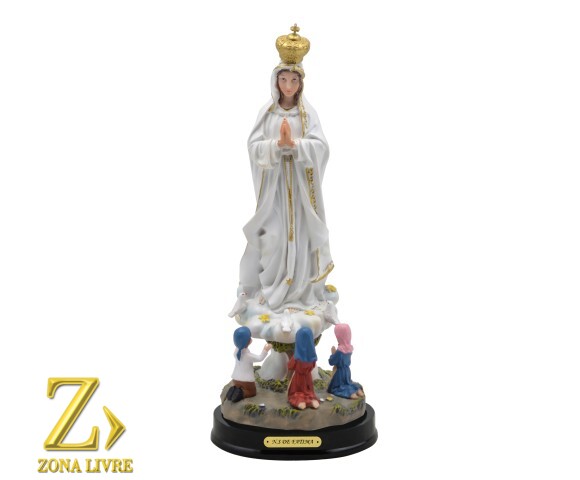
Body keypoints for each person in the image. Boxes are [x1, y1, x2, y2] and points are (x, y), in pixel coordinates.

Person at [238, 31, 334, 314]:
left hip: (301, 194)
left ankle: (300, 291)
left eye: (294, 80)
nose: (288, 85)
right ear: (276, 80)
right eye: (284, 79)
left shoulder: (307, 115)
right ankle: (270, 288)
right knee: (274, 238)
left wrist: (297, 146)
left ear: (300, 83)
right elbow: (253, 146)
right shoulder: (267, 113)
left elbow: (322, 147)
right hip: (276, 190)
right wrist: (275, 147)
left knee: (300, 240)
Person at [228, 326, 272, 403]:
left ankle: (234, 390)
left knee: (240, 386)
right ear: (248, 341)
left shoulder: (236, 351)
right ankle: (241, 393)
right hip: (246, 380)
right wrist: (265, 349)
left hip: (235, 378)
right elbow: (259, 358)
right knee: (252, 392)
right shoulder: (248, 356)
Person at [327, 324, 364, 399]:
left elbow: (332, 362)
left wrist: (333, 353)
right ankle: (357, 390)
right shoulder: (349, 348)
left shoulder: (340, 350)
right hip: (347, 371)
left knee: (338, 387)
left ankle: (350, 394)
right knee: (348, 383)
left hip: (339, 373)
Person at [287, 327, 320, 410]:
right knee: (308, 391)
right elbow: (313, 366)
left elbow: (290, 366)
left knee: (296, 392)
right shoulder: (313, 357)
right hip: (308, 378)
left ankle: (300, 402)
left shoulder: (296, 357)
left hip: (298, 378)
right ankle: (311, 400)